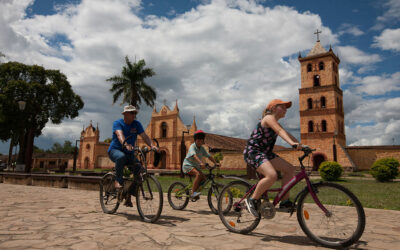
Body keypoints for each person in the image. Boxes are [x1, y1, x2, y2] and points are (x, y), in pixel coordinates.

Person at [243, 99, 302, 217]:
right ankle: (252, 200)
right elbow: (279, 131)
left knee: (290, 169)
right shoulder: (268, 118)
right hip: (254, 152)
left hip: (266, 153)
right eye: (283, 107)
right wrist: (292, 143)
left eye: (286, 108)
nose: (286, 110)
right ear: (273, 108)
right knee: (272, 175)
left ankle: (285, 201)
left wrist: (302, 145)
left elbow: (286, 133)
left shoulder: (275, 122)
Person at [108, 105, 158, 206]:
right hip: (115, 151)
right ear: (125, 114)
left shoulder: (137, 124)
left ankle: (128, 195)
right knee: (121, 157)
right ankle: (117, 181)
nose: (134, 115)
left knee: (140, 172)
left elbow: (144, 136)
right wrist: (125, 144)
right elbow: (119, 135)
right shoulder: (118, 123)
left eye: (135, 113)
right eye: (132, 113)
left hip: (129, 153)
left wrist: (152, 145)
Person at [182, 130, 219, 198]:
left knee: (204, 179)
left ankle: (195, 189)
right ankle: (193, 193)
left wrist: (215, 163)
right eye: (198, 140)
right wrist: (201, 163)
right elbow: (194, 155)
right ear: (195, 140)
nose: (200, 142)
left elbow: (209, 156)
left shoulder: (202, 148)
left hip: (195, 167)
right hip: (187, 166)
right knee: (198, 174)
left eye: (201, 140)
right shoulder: (192, 146)